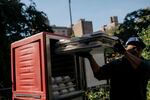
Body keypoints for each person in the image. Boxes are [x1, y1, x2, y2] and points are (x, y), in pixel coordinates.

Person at [78, 36, 150, 100]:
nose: (136, 50)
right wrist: (90, 57)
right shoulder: (117, 64)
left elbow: (144, 68)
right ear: (126, 48)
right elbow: (99, 74)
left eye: (139, 49)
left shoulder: (145, 63)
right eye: (133, 48)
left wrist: (125, 53)